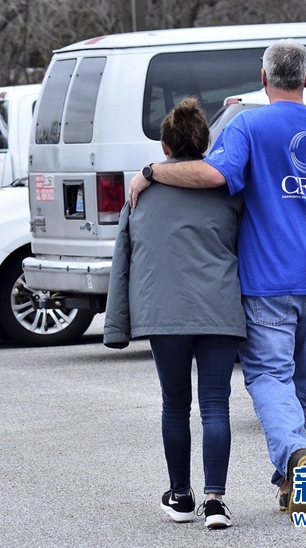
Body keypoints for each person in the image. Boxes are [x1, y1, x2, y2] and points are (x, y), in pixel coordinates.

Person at [127, 39, 306, 521]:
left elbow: (212, 176)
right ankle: (295, 484)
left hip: (269, 281)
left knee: (268, 376)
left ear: (264, 78)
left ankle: (295, 456)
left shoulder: (248, 125)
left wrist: (152, 171)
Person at [104, 97, 245, 529]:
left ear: (165, 147)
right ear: (204, 145)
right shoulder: (228, 190)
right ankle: (215, 502)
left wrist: (116, 326)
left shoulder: (139, 195)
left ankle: (181, 496)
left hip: (162, 313)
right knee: (216, 405)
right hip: (219, 308)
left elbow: (122, 262)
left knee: (175, 404)